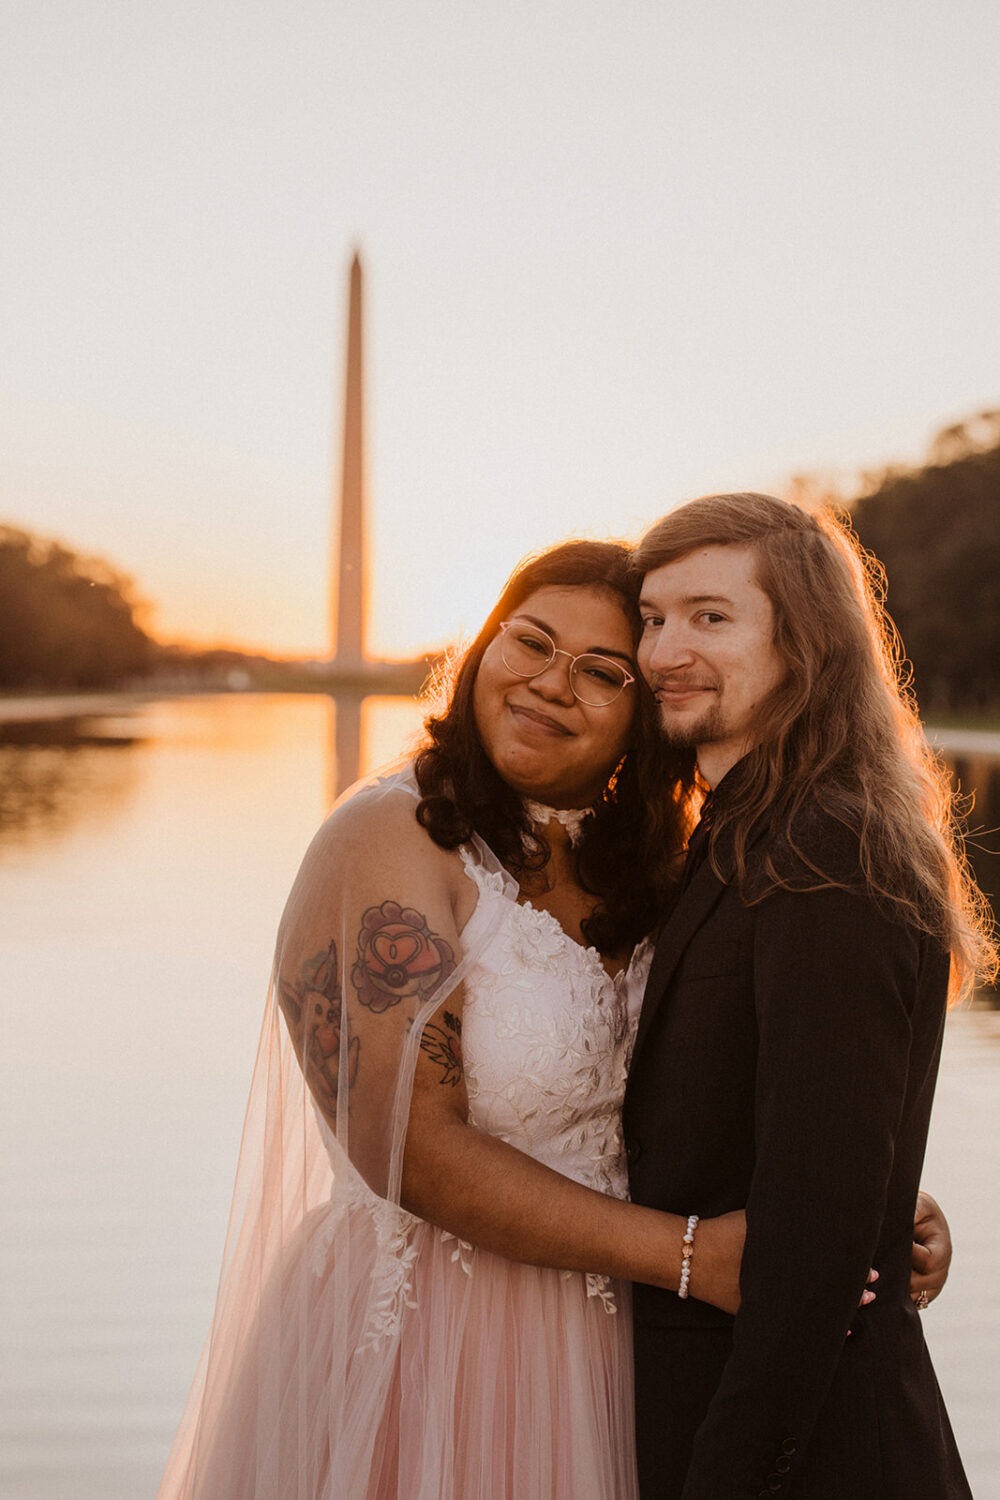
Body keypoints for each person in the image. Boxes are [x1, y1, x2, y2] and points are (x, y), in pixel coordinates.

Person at [158, 540, 952, 1500]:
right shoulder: (388, 835)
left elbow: (727, 1079)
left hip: (623, 1345)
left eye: (603, 672)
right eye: (527, 642)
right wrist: (695, 1257)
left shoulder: (660, 868)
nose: (550, 685)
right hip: (437, 1341)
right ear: (484, 648)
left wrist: (857, 1202)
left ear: (646, 712)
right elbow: (404, 1144)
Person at [624, 493, 995, 1499]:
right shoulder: (739, 836)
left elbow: (810, 1253)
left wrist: (728, 1481)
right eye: (652, 619)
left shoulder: (823, 852)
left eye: (709, 616)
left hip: (805, 1456)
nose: (663, 651)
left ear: (807, 644)